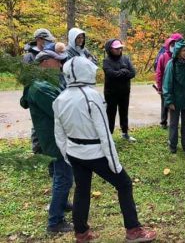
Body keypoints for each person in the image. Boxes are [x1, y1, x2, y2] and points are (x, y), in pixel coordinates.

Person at [53, 57, 157, 242]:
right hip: (95, 152)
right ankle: (133, 230)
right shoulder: (91, 96)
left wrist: (67, 156)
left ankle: (81, 233)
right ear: (86, 72)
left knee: (82, 190)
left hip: (75, 152)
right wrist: (114, 162)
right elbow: (104, 132)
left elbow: (59, 134)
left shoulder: (60, 98)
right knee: (124, 183)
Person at [20, 51, 73, 233]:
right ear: (44, 62)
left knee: (60, 174)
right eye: (56, 61)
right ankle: (55, 222)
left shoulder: (44, 82)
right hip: (54, 138)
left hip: (54, 136)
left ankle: (62, 202)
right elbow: (60, 110)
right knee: (64, 176)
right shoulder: (40, 87)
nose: (60, 64)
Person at [23, 28, 56, 154]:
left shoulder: (51, 53)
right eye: (47, 40)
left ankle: (48, 150)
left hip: (50, 92)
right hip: (36, 94)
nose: (49, 43)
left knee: (49, 122)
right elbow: (26, 77)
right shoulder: (29, 56)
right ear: (39, 39)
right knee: (38, 123)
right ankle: (38, 151)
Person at [103, 39, 137, 142]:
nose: (119, 50)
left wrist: (120, 73)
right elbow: (111, 74)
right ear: (110, 49)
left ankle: (125, 133)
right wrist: (124, 71)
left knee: (124, 113)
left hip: (124, 92)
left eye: (120, 48)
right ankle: (109, 136)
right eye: (116, 48)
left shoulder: (126, 59)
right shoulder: (106, 61)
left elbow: (133, 73)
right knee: (110, 114)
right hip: (111, 93)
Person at [155, 33, 183, 129]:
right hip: (165, 86)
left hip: (177, 86)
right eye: (172, 45)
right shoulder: (163, 57)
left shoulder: (181, 56)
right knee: (165, 103)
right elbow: (159, 73)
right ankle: (163, 122)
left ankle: (174, 122)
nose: (174, 46)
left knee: (176, 104)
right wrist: (159, 87)